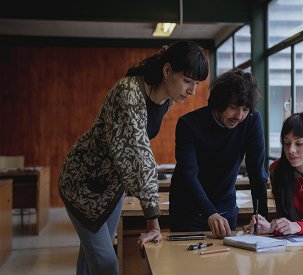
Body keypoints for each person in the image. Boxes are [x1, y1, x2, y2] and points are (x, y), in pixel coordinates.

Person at [58, 40, 208, 275]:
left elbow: (139, 151)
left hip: (112, 185)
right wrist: (152, 222)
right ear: (167, 71)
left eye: (197, 83)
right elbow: (140, 155)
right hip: (83, 183)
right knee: (106, 263)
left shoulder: (165, 98)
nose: (192, 91)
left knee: (91, 260)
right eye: (188, 81)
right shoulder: (128, 93)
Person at [169, 69, 269, 238]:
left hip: (225, 206)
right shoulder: (189, 124)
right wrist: (210, 212)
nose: (239, 115)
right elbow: (189, 174)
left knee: (225, 262)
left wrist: (262, 218)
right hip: (188, 207)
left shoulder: (251, 120)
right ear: (219, 102)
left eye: (245, 109)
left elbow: (256, 171)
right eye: (233, 107)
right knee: (186, 262)